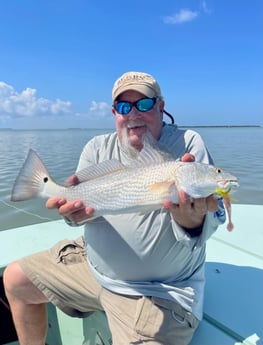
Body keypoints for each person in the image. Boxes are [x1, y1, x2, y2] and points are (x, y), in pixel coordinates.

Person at [4, 71, 225, 345]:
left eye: (143, 104)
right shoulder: (96, 147)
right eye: (124, 106)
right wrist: (74, 217)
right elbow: (81, 211)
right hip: (93, 268)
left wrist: (190, 222)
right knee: (14, 279)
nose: (133, 114)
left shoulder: (188, 147)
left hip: (159, 290)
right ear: (114, 112)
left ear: (160, 106)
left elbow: (212, 218)